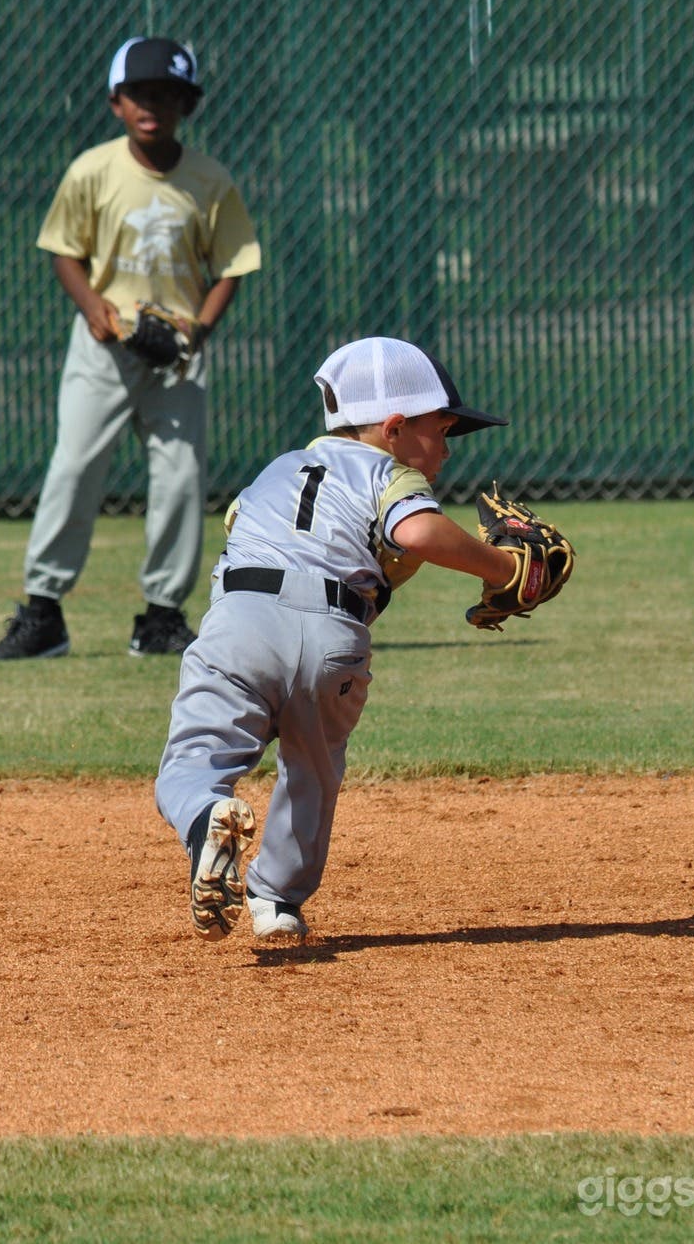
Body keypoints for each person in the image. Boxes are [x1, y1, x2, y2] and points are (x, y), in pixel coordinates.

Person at [156, 335, 518, 945]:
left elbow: (242, 531)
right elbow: (419, 532)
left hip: (239, 622)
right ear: (396, 427)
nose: (448, 451)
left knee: (191, 764)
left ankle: (204, 819)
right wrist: (502, 569)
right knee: (312, 769)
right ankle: (276, 902)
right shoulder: (389, 472)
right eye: (443, 429)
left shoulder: (272, 472)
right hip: (332, 636)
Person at [0, 36, 261, 661]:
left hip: (179, 356)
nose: (152, 105)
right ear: (116, 102)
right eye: (139, 93)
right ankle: (43, 611)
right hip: (104, 348)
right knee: (75, 469)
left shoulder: (209, 180)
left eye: (167, 94)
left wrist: (199, 331)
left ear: (187, 105)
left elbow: (233, 265)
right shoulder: (93, 170)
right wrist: (94, 308)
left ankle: (162, 617)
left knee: (180, 479)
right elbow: (64, 250)